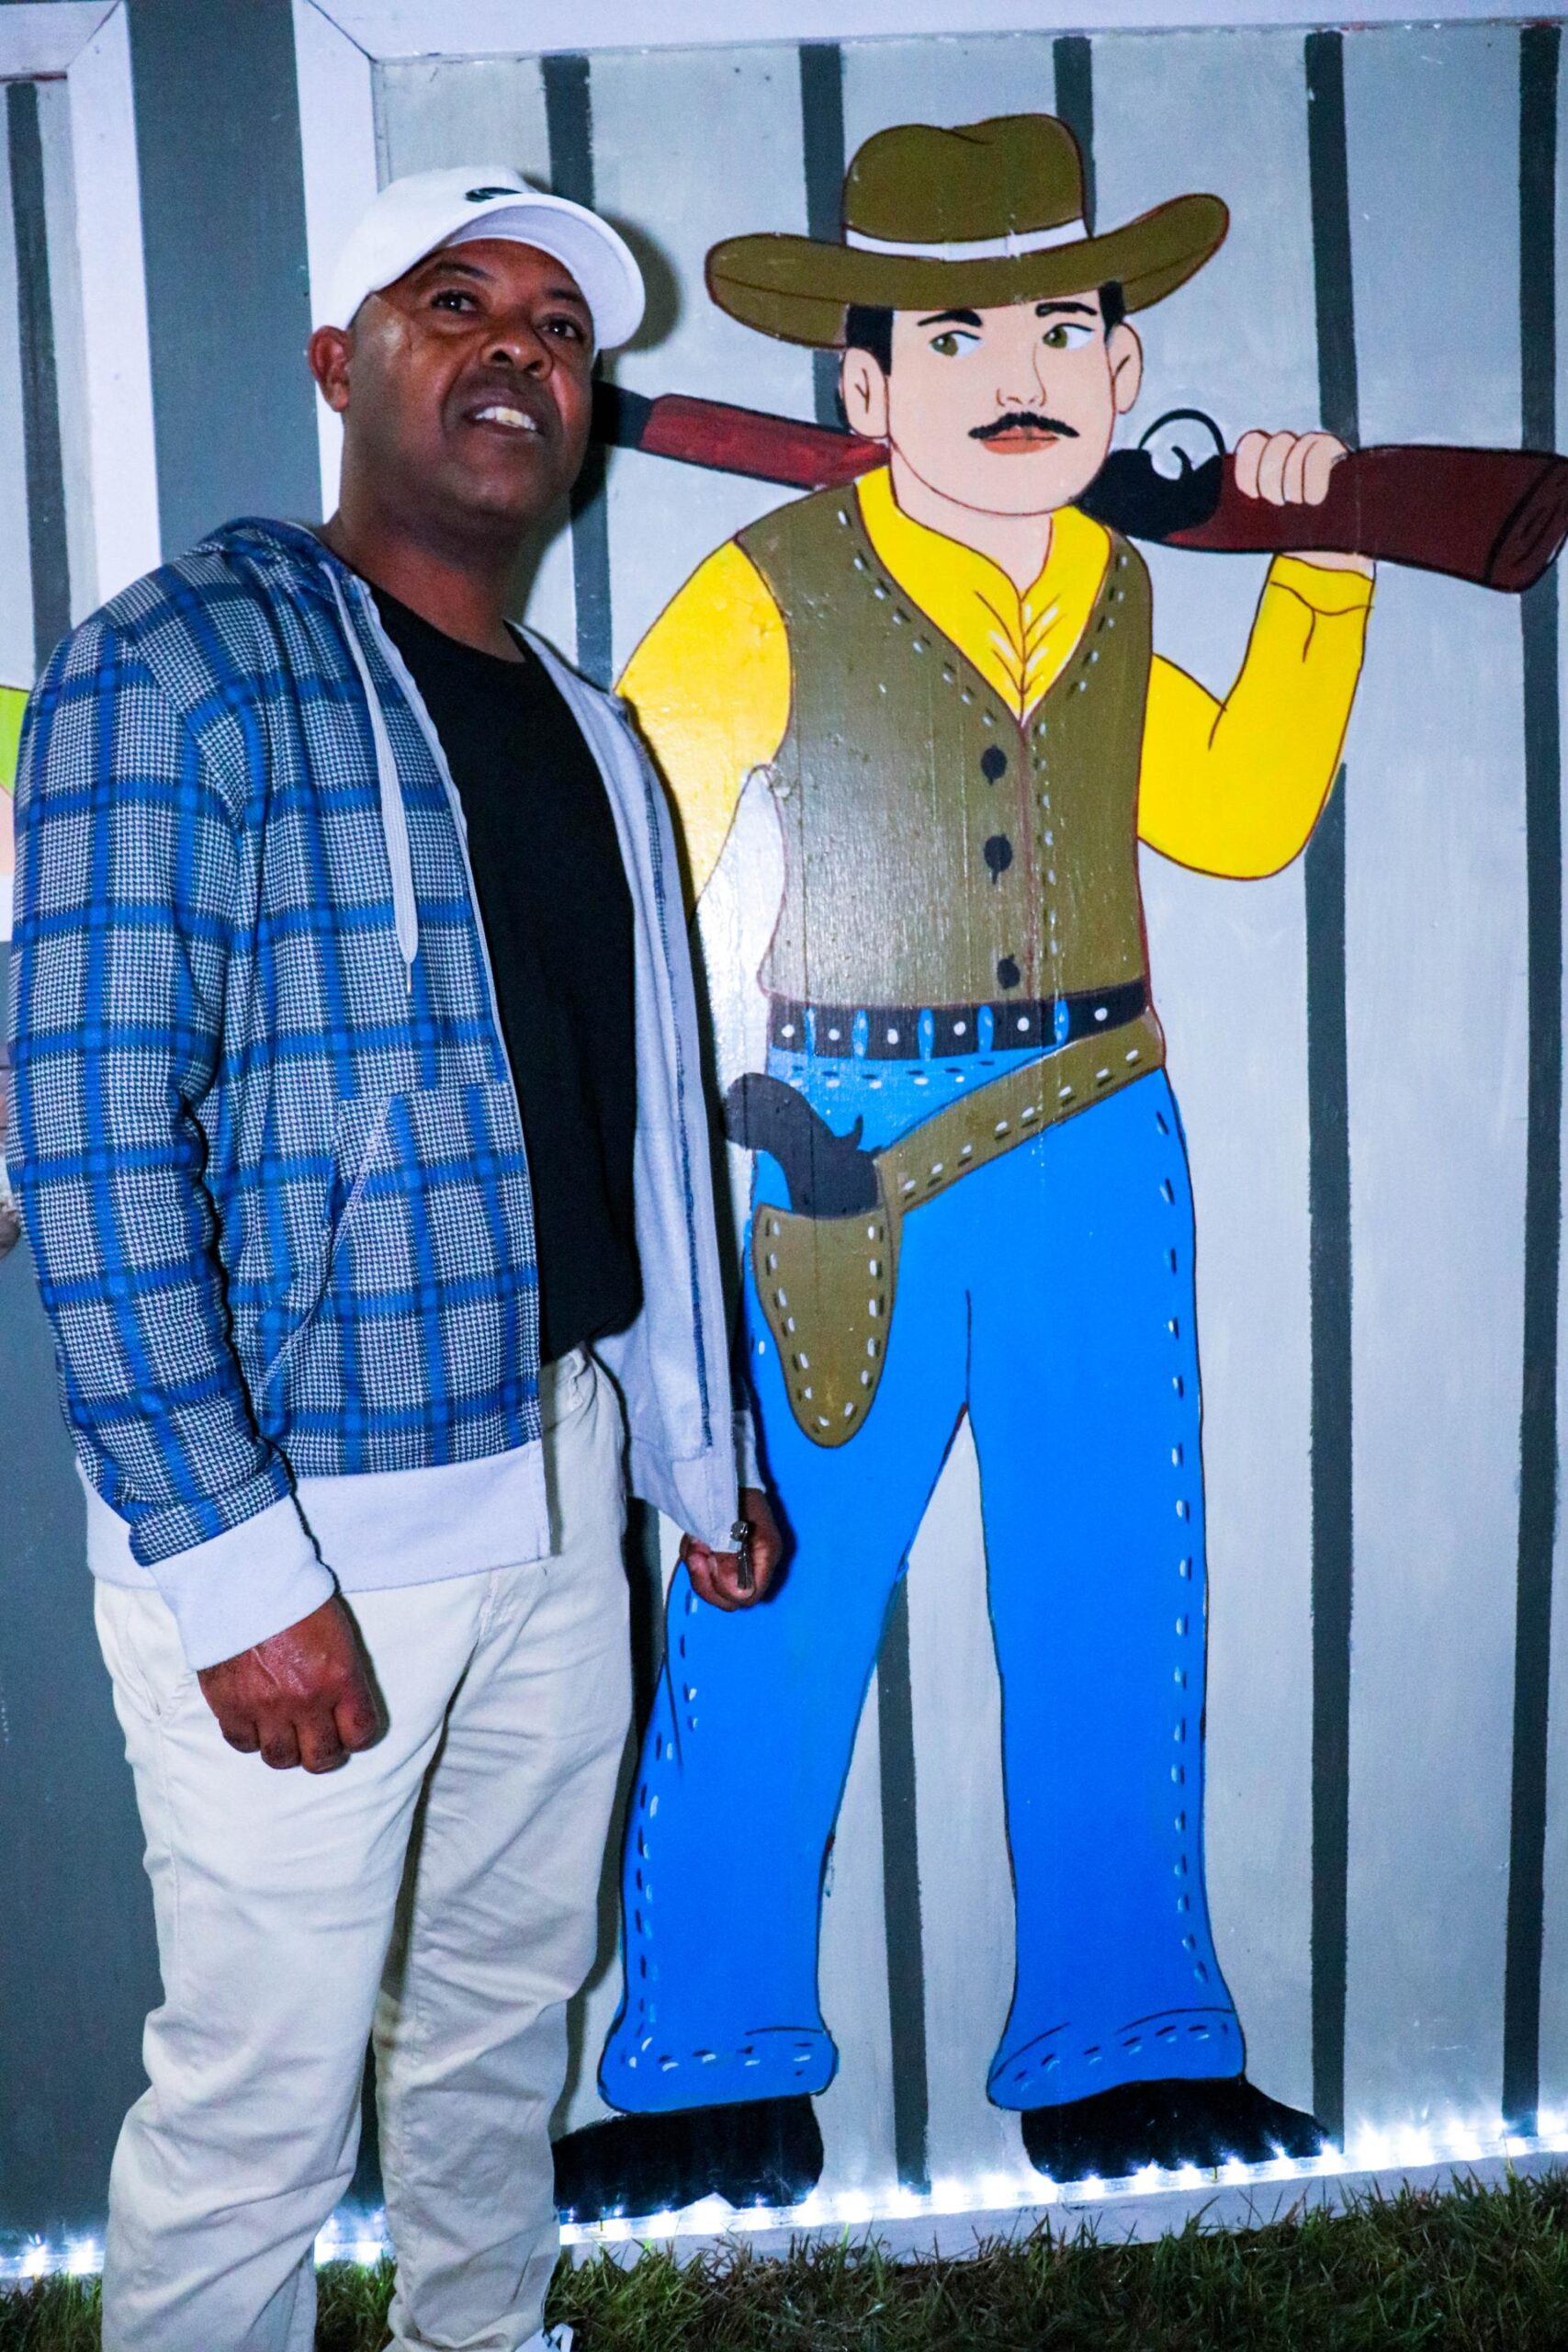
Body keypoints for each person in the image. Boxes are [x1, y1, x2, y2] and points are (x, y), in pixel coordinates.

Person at [554, 112, 1373, 2219]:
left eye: (1059, 331)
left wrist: (1319, 567)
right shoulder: (767, 587)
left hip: (1095, 1138)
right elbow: (628, 852)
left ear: (1117, 371)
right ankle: (706, 2061)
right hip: (849, 1152)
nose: (1015, 374)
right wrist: (708, 1113)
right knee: (770, 1586)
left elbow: (1233, 814)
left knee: (1114, 1584)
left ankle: (1127, 2044)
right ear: (867, 383)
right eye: (953, 337)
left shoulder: (1114, 581)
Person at [7, 164, 779, 2352]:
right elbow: (83, 1129)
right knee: (261, 2099)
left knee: (502, 2020)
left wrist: (691, 1453)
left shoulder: (588, 726)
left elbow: (628, 1115)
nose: (516, 345)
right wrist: (234, 1565)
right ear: (339, 364)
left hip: (558, 1482)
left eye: (558, 327)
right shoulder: (185, 662)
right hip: (304, 1513)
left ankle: (481, 2331)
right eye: (457, 301)